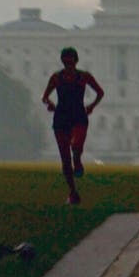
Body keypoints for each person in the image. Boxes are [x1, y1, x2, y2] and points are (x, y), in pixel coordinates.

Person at [42, 47, 104, 205]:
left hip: (78, 116)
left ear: (76, 61)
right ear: (63, 61)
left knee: (76, 145)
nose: (68, 64)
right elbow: (45, 97)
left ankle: (77, 159)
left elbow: (100, 92)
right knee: (65, 159)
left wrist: (91, 106)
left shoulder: (84, 76)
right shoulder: (56, 77)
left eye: (70, 61)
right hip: (62, 117)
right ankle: (72, 192)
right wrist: (49, 103)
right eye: (66, 61)